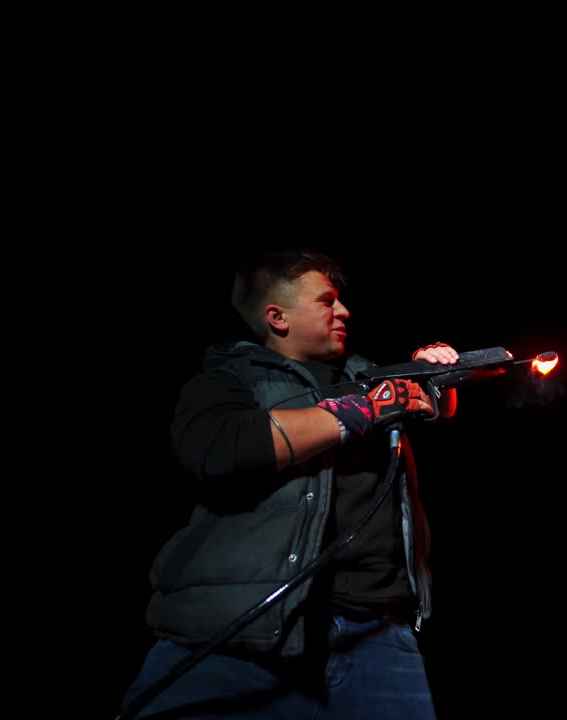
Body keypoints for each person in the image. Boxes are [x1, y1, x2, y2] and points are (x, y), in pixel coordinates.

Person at [118, 249, 459, 719]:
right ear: (276, 316)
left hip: (378, 637)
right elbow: (218, 449)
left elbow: (431, 405)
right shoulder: (230, 378)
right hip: (244, 633)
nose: (344, 312)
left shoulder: (368, 377)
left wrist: (433, 374)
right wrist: (368, 409)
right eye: (327, 301)